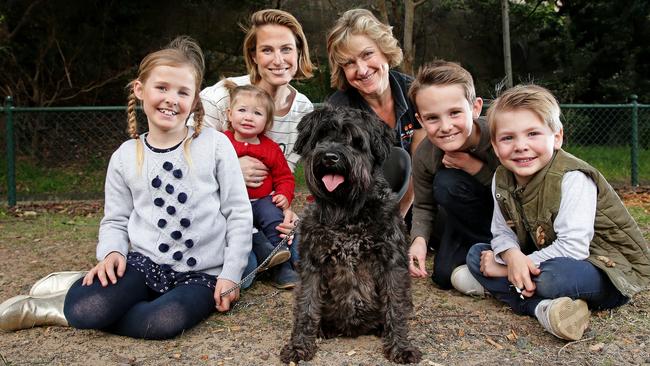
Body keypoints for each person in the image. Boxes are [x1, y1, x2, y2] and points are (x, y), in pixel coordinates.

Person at [0, 36, 255, 338]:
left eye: (183, 92)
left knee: (162, 322)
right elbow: (116, 219)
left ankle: (91, 305)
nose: (171, 99)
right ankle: (55, 306)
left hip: (202, 275)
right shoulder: (124, 157)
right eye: (161, 88)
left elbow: (238, 212)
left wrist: (231, 274)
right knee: (86, 308)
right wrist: (110, 253)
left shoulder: (214, 144)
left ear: (195, 100)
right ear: (139, 89)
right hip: (146, 265)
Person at [466, 84, 650, 341]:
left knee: (554, 279)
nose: (521, 146)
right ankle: (543, 308)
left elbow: (574, 248)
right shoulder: (502, 177)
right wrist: (510, 255)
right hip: (545, 258)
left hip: (605, 270)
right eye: (508, 138)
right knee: (476, 255)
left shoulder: (572, 177)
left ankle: (512, 290)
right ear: (495, 146)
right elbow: (501, 230)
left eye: (532, 134)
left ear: (557, 137)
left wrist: (508, 266)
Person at [193, 9, 314, 287]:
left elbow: (285, 172)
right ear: (253, 56)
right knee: (243, 271)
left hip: (262, 205)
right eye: (267, 50)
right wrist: (230, 170)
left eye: (286, 49)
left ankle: (277, 257)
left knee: (280, 232)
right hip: (215, 209)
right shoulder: (220, 96)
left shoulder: (303, 110)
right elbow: (182, 158)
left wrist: (285, 208)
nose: (278, 59)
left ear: (299, 53)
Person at [406, 61, 499, 291]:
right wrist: (419, 240)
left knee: (448, 182)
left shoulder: (501, 136)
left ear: (476, 108)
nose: (445, 126)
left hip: (507, 218)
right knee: (443, 276)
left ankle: (507, 253)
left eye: (455, 113)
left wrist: (473, 167)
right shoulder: (425, 155)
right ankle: (482, 254)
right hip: (464, 221)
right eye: (432, 118)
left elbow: (516, 192)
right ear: (420, 120)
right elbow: (424, 204)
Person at [325, 8, 427, 220]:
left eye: (367, 54)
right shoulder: (338, 110)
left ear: (385, 49)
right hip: (367, 206)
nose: (361, 70)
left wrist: (398, 217)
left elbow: (421, 165)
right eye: (349, 63)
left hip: (416, 197)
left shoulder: (415, 92)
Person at [222, 80, 296, 286]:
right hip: (232, 203)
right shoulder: (221, 142)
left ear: (267, 122)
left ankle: (283, 263)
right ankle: (262, 257)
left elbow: (284, 177)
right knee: (241, 227)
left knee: (274, 217)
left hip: (263, 200)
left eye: (257, 113)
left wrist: (284, 194)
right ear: (229, 114)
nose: (248, 117)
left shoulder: (271, 148)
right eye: (242, 110)